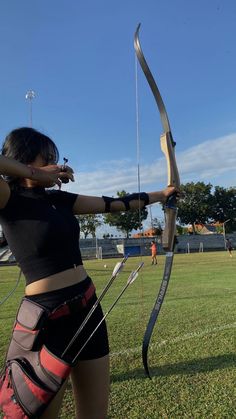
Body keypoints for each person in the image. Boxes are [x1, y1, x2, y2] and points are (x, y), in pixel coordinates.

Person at [0, 127, 177, 419]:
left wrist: (162, 194)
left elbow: (114, 204)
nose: (56, 165)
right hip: (45, 320)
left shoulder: (61, 201)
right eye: (49, 159)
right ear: (25, 158)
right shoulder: (8, 199)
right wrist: (34, 172)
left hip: (88, 307)